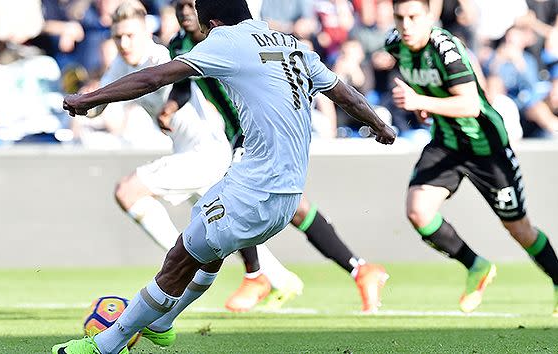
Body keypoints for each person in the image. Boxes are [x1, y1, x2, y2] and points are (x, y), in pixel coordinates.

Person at [55, 1, 395, 353]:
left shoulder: (227, 41)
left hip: (254, 188)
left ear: (214, 22)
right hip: (288, 195)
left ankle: (106, 345)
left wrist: (90, 98)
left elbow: (155, 77)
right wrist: (380, 126)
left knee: (179, 260)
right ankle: (164, 322)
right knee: (209, 247)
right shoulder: (293, 46)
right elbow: (344, 94)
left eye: (204, 27)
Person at [162, 0, 390, 315]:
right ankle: (360, 269)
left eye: (191, 5)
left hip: (260, 129)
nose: (186, 12)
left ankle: (255, 274)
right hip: (239, 132)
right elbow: (183, 83)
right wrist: (171, 107)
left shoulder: (236, 37)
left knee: (236, 196)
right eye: (179, 7)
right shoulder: (180, 44)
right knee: (296, 208)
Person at [385, 0, 558, 315]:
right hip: (447, 142)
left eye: (414, 17)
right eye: (400, 17)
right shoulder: (395, 44)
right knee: (418, 211)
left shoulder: (447, 48)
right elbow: (424, 82)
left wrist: (419, 100)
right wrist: (427, 104)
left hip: (486, 147)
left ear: (430, 15)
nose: (406, 25)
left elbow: (471, 105)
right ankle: (476, 266)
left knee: (519, 229)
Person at [85, 0, 231, 259]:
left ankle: (181, 261)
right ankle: (280, 280)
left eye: (130, 36)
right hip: (187, 150)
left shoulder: (161, 57)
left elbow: (183, 84)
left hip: (205, 151)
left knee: (128, 191)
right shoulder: (121, 64)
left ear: (145, 33)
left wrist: (170, 108)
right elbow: (99, 104)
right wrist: (83, 103)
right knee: (227, 230)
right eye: (118, 37)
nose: (124, 44)